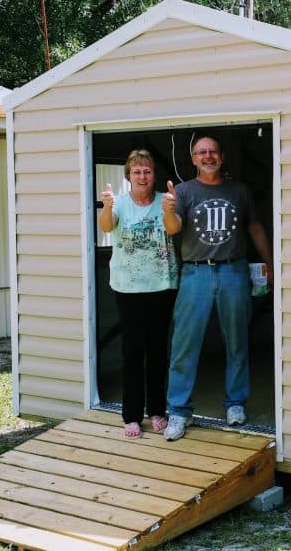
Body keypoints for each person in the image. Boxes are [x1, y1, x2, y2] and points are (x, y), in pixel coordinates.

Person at [161, 135, 273, 441]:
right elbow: (173, 228)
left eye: (212, 152)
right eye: (202, 153)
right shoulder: (182, 192)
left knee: (237, 339)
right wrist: (169, 210)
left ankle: (235, 403)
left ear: (221, 157)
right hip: (196, 273)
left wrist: (270, 263)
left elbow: (255, 227)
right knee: (185, 343)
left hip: (233, 270)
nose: (208, 156)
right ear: (194, 159)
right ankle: (178, 411)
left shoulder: (239, 191)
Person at [98, 149, 179, 439]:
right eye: (136, 172)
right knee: (132, 351)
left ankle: (157, 411)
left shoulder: (164, 201)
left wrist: (170, 210)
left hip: (161, 285)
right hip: (128, 288)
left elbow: (173, 229)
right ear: (128, 176)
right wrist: (106, 207)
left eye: (147, 171)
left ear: (153, 175)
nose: (142, 176)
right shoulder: (118, 202)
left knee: (158, 351)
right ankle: (131, 416)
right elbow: (106, 226)